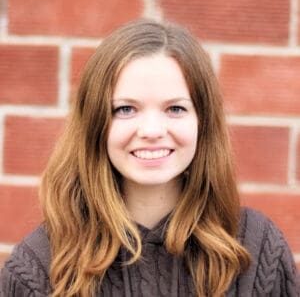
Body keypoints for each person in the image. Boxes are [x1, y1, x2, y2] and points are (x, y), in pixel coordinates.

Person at [0, 19, 299, 297]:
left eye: (175, 109)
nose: (152, 130)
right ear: (94, 124)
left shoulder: (256, 251)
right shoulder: (41, 267)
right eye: (126, 109)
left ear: (202, 122)